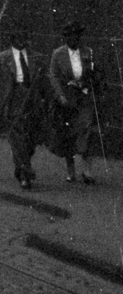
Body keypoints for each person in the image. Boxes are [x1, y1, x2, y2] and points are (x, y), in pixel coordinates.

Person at [0, 24, 42, 188]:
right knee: (17, 139)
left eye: (25, 36)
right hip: (12, 100)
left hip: (31, 100)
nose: (22, 40)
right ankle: (25, 173)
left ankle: (21, 167)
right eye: (18, 37)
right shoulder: (1, 58)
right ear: (12, 39)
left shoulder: (36, 57)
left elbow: (43, 83)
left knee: (30, 141)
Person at [48, 20, 100, 183]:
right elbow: (54, 76)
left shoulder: (87, 52)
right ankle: (71, 171)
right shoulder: (58, 54)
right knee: (68, 135)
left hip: (84, 97)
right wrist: (61, 95)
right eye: (71, 36)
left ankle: (87, 171)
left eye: (77, 36)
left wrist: (88, 82)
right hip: (67, 100)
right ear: (66, 38)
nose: (74, 39)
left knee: (86, 130)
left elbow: (94, 72)